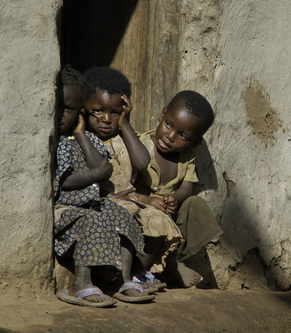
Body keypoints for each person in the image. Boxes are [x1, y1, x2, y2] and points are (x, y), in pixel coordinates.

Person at [54, 65, 154, 307]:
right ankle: (81, 284)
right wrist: (98, 173)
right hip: (66, 209)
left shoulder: (85, 136)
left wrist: (80, 135)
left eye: (69, 110)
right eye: (60, 107)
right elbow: (65, 181)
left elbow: (100, 165)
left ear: (79, 111)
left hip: (91, 204)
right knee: (92, 219)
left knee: (120, 215)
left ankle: (123, 279)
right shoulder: (55, 142)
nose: (61, 115)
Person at [83, 66, 183, 290]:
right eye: (98, 111)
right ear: (84, 110)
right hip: (101, 200)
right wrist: (112, 196)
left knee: (159, 219)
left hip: (130, 198)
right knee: (124, 212)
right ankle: (115, 277)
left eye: (116, 112)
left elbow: (141, 162)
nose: (107, 119)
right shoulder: (83, 140)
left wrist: (125, 124)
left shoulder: (123, 137)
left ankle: (138, 271)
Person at [134, 90, 223, 288]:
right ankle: (143, 270)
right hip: (141, 215)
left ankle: (170, 260)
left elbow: (187, 187)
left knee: (195, 205)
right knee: (156, 222)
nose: (170, 136)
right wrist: (147, 201)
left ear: (195, 141)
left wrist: (175, 198)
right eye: (168, 124)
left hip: (168, 219)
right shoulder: (140, 146)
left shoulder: (188, 155)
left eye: (182, 135)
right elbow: (125, 189)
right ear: (162, 114)